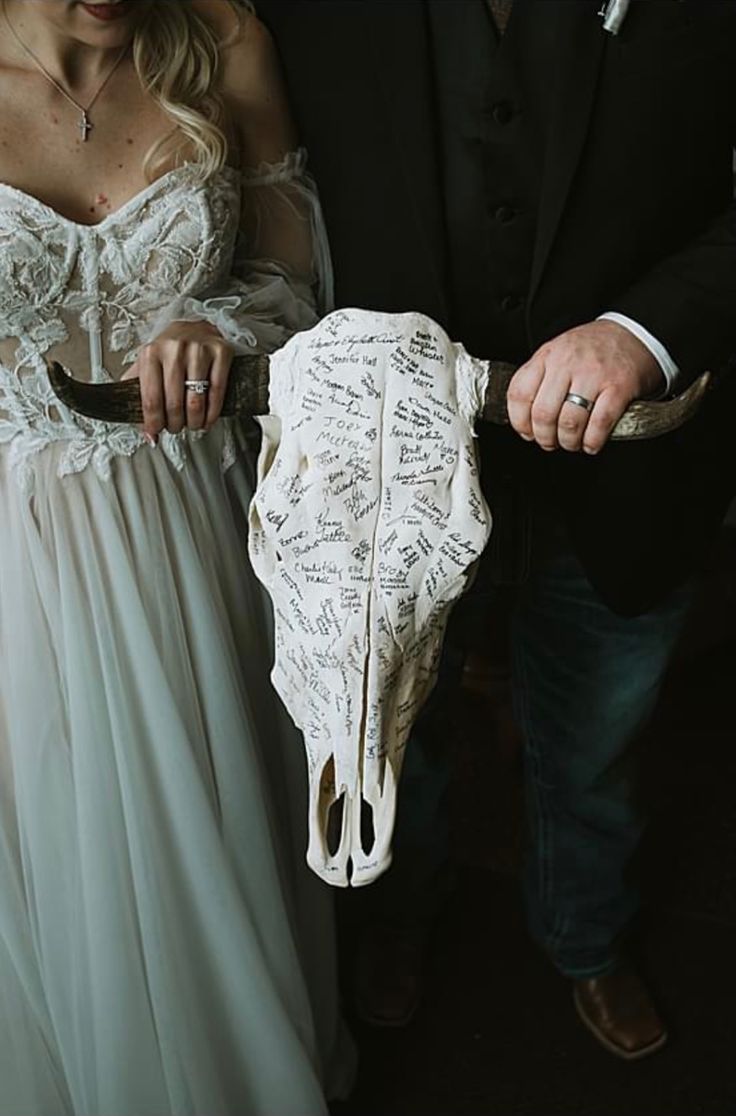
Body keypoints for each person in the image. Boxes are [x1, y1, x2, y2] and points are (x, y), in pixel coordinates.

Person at [258, 0, 736, 1059]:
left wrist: (642, 332)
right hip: (379, 464)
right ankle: (398, 912)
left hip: (631, 460)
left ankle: (586, 938)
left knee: (594, 744)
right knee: (391, 723)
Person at [0, 1, 353, 1112]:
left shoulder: (224, 38)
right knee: (56, 837)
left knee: (221, 803)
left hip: (196, 514)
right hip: (19, 543)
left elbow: (293, 275)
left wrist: (220, 321)